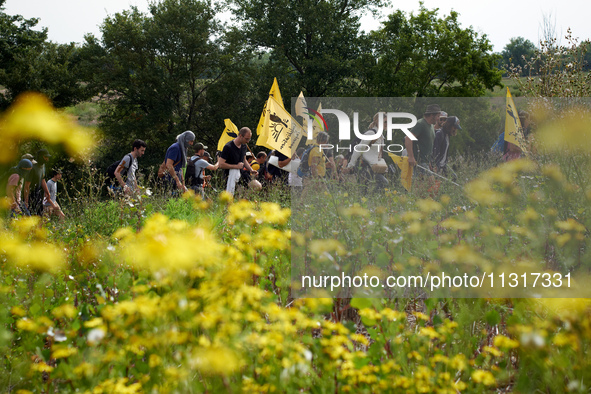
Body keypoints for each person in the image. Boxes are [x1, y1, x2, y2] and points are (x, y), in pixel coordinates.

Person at [344, 113, 389, 188]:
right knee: (383, 183)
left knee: (364, 189)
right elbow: (358, 149)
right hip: (364, 165)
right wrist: (350, 166)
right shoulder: (371, 133)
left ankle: (369, 199)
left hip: (372, 166)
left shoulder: (381, 136)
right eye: (385, 122)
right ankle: (372, 198)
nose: (387, 124)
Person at [218, 127, 257, 194]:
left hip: (242, 173)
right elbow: (221, 164)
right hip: (229, 175)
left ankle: (244, 202)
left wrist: (251, 170)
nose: (248, 141)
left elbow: (244, 160)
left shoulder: (244, 146)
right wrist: (236, 166)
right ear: (240, 136)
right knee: (230, 196)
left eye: (249, 139)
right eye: (246, 139)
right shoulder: (228, 147)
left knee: (257, 186)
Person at [405, 104, 441, 173]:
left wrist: (429, 161)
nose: (438, 118)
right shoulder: (421, 124)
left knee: (425, 183)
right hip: (418, 162)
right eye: (438, 116)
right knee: (431, 181)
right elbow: (408, 138)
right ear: (431, 115)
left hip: (425, 162)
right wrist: (411, 157)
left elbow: (428, 146)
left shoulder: (431, 127)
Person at [23, 149, 58, 216]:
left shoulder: (43, 166)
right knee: (30, 216)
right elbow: (26, 186)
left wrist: (48, 192)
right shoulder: (32, 168)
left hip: (38, 194)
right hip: (30, 195)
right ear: (41, 156)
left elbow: (42, 179)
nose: (47, 158)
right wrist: (26, 201)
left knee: (40, 215)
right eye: (45, 157)